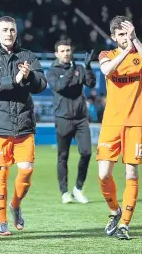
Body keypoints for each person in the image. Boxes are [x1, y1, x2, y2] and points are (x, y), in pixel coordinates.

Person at [0, 16, 47, 236]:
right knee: (2, 174)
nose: (9, 34)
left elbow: (42, 85)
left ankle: (15, 204)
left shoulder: (27, 56)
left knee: (26, 172)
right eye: (5, 30)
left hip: (24, 124)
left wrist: (29, 77)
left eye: (12, 30)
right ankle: (2, 222)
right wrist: (14, 79)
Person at [97, 16, 142, 240]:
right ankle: (115, 210)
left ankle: (124, 224)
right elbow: (106, 70)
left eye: (127, 33)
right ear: (114, 37)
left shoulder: (139, 54)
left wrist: (136, 40)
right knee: (104, 175)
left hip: (135, 122)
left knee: (131, 172)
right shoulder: (107, 54)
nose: (125, 38)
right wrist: (126, 50)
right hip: (111, 122)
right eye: (121, 34)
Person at [47, 39, 96, 204]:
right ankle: (64, 192)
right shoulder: (52, 72)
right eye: (62, 51)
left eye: (68, 50)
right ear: (56, 54)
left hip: (81, 119)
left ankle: (78, 188)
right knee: (63, 156)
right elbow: (60, 86)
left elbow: (91, 83)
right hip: (63, 119)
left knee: (87, 153)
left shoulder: (80, 68)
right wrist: (73, 69)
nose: (66, 54)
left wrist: (88, 68)